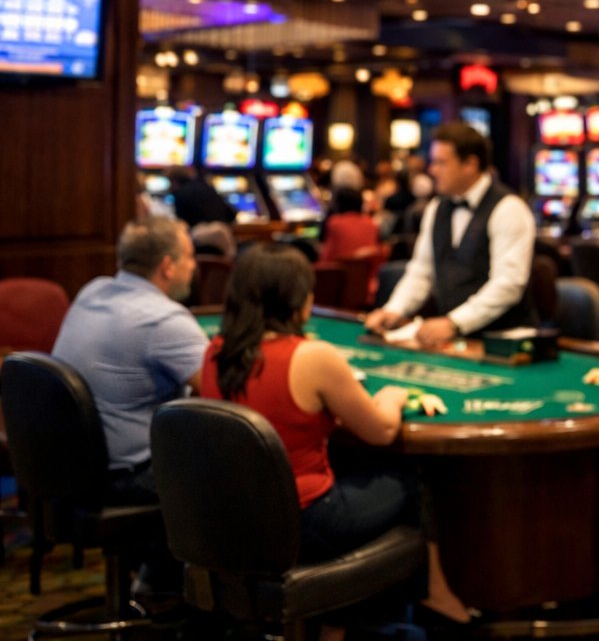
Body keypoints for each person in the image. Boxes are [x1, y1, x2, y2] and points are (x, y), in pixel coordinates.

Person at [200, 244, 476, 629]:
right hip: (305, 521)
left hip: (231, 519)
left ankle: (337, 624)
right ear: (296, 299)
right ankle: (432, 598)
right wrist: (392, 397)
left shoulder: (213, 352)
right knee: (411, 483)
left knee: (352, 466)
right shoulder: (312, 356)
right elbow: (380, 431)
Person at [52, 216, 206, 503]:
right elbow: (222, 389)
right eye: (190, 256)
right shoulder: (163, 318)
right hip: (124, 479)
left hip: (65, 465)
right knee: (235, 464)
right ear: (167, 266)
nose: (194, 266)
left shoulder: (92, 290)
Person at [363, 123, 536, 347]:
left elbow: (508, 285)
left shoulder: (509, 208)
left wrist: (454, 323)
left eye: (441, 162)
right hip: (455, 341)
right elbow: (421, 272)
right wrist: (393, 310)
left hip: (504, 343)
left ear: (470, 164)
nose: (432, 170)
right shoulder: (437, 208)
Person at [319, 186, 381, 264]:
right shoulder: (371, 223)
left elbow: (326, 256)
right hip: (367, 274)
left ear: (337, 204)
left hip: (335, 273)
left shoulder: (334, 223)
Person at [166, 165, 234, 227]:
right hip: (224, 231)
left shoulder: (180, 193)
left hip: (200, 236)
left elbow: (182, 223)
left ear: (173, 181)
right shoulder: (206, 187)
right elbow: (231, 214)